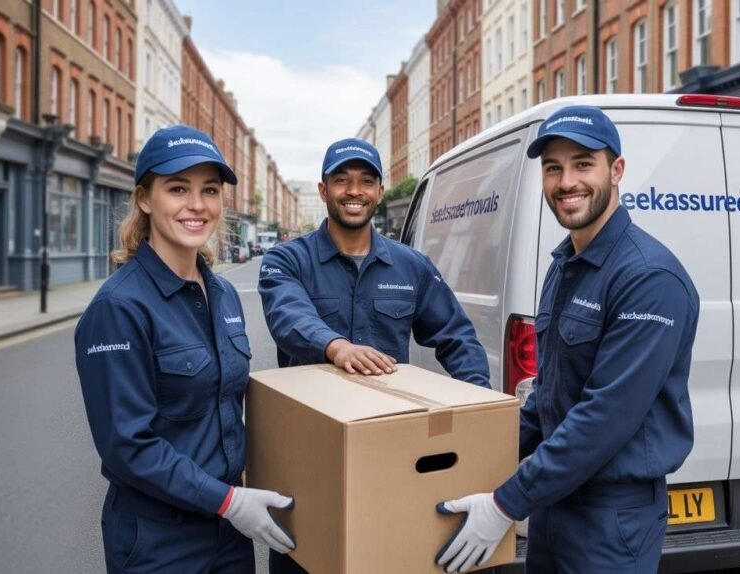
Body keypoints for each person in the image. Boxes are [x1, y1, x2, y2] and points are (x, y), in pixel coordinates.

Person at [435, 105, 701, 573]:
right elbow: (548, 396)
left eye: (583, 164)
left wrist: (504, 504)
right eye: (553, 168)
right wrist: (471, 460)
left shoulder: (649, 277)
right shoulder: (565, 267)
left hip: (611, 518)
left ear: (616, 170)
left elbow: (604, 418)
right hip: (555, 504)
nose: (566, 182)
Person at [259, 137, 491, 574]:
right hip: (311, 461)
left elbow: (458, 339)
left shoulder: (411, 267)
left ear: (379, 192)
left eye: (366, 180)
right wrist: (336, 347)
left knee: (385, 556)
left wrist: (478, 416)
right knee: (307, 561)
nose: (354, 190)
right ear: (324, 189)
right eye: (342, 180)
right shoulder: (287, 261)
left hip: (390, 456)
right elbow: (288, 316)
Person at [75, 125, 295, 573]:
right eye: (178, 189)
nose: (197, 205)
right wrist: (229, 500)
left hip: (229, 532)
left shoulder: (224, 295)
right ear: (144, 198)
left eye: (209, 190)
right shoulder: (119, 308)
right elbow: (127, 446)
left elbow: (227, 408)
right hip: (159, 540)